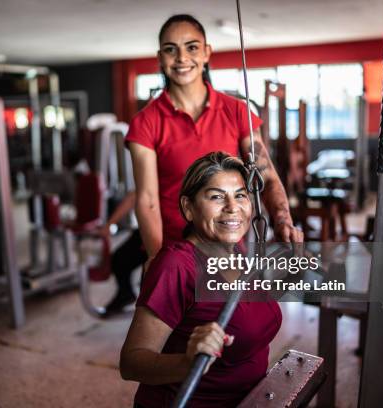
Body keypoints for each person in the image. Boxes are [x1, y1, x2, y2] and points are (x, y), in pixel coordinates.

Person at [126, 14, 303, 268]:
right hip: (176, 252)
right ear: (160, 58)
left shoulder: (237, 111)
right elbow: (147, 199)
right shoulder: (146, 122)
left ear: (207, 52)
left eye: (192, 47)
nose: (182, 58)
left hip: (229, 247)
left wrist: (283, 220)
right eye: (170, 49)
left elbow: (265, 176)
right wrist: (157, 260)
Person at [120, 152, 281, 407]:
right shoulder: (176, 267)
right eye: (217, 196)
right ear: (188, 207)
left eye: (240, 195)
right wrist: (187, 362)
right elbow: (131, 362)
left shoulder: (237, 251)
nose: (232, 207)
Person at [97, 191, 146, 315]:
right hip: (153, 226)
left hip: (161, 227)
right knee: (119, 260)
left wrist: (109, 224)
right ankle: (126, 294)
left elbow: (135, 196)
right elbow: (135, 195)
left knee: (121, 260)